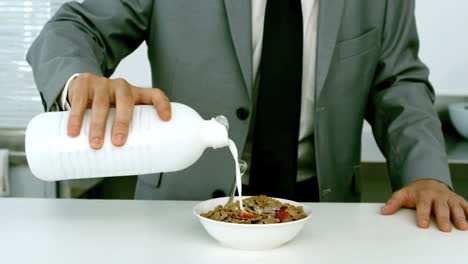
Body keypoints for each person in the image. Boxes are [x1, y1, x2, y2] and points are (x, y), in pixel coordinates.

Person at [27, 0, 467, 232]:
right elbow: (76, 27)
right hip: (182, 213)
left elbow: (398, 83)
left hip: (322, 210)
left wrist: (425, 173)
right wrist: (79, 78)